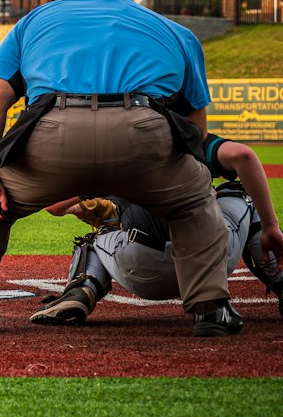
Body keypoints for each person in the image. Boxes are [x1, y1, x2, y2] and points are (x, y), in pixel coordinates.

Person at [0, 0, 239, 338]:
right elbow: (197, 132)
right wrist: (173, 183)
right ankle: (212, 309)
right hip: (142, 133)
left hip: (52, 133)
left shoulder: (35, 19)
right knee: (195, 201)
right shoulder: (175, 30)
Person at [30, 134, 283, 325]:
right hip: (210, 262)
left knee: (99, 237)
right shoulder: (189, 135)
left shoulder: (117, 151)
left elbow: (53, 206)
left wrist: (94, 185)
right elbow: (244, 156)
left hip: (142, 270)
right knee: (239, 194)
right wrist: (271, 228)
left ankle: (81, 291)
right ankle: (276, 281)